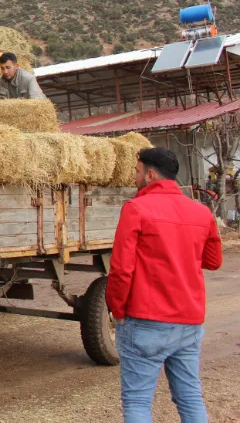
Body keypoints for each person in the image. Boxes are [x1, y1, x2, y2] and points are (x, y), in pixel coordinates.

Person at [107, 147, 223, 423]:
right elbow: (213, 260)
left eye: (136, 172)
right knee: (190, 396)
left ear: (150, 174)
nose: (134, 177)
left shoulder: (136, 209)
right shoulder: (201, 212)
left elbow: (121, 269)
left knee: (137, 400)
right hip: (189, 320)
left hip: (147, 320)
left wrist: (117, 309)